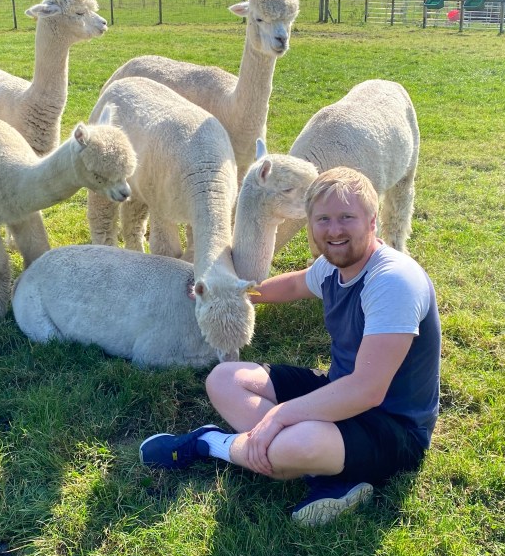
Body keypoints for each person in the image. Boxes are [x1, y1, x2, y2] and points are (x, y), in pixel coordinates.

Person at [139, 166, 441, 526]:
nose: (334, 230)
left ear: (372, 221)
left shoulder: (392, 281)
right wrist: (232, 291)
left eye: (347, 218)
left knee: (291, 444)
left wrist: (279, 416)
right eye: (323, 219)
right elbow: (296, 285)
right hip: (337, 391)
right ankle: (329, 475)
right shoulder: (333, 265)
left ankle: (210, 444)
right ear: (310, 225)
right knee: (223, 379)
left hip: (394, 428)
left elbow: (367, 390)